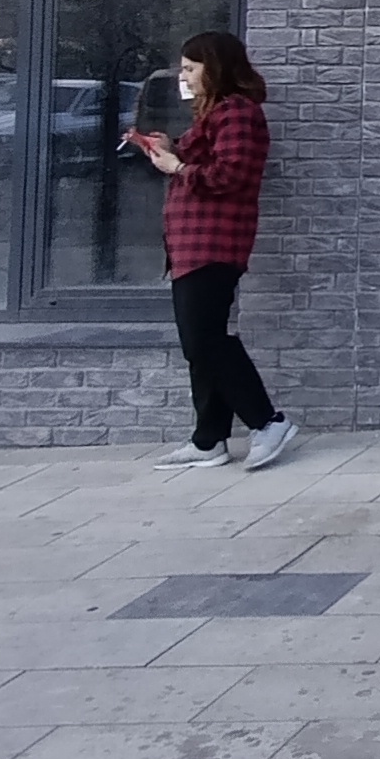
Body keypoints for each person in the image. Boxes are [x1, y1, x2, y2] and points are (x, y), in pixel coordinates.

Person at [126, 31, 296, 471]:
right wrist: (168, 150)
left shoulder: (237, 112)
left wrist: (178, 166)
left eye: (190, 68)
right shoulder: (215, 113)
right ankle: (208, 440)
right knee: (200, 343)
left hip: (213, 243)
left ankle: (268, 422)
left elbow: (231, 174)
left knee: (205, 341)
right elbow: (204, 163)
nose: (183, 77)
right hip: (192, 244)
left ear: (214, 67)